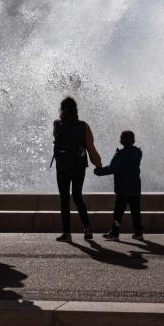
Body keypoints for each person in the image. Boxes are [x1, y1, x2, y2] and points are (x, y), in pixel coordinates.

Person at [52, 96, 102, 242]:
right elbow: (90, 148)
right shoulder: (83, 126)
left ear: (62, 110)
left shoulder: (57, 124)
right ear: (76, 110)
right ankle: (87, 228)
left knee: (64, 198)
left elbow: (56, 138)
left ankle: (67, 233)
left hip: (62, 166)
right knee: (77, 196)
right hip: (79, 166)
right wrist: (98, 164)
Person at [95, 130, 144, 241]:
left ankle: (115, 232)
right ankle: (138, 232)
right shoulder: (138, 152)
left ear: (122, 141)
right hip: (135, 187)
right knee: (135, 211)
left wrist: (98, 171)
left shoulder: (120, 154)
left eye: (120, 138)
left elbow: (112, 168)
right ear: (133, 140)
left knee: (118, 212)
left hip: (123, 188)